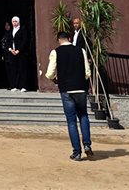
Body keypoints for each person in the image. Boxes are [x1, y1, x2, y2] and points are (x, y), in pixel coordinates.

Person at [46, 30, 93, 161]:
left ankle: (77, 152)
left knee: (71, 121)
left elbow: (49, 73)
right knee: (83, 116)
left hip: (66, 89)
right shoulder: (81, 51)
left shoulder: (56, 52)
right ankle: (87, 144)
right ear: (70, 38)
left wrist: (55, 80)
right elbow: (87, 72)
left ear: (58, 40)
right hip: (81, 88)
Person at [5, 16, 30, 92]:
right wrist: (10, 49)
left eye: (16, 21)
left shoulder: (22, 30)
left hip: (21, 53)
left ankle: (23, 86)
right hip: (12, 53)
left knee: (22, 69)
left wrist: (18, 50)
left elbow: (24, 41)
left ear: (18, 22)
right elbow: (8, 41)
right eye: (13, 21)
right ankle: (14, 86)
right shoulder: (10, 31)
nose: (14, 23)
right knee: (13, 69)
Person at [0, 20, 12, 88]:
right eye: (5, 25)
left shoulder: (12, 33)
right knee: (7, 70)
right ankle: (9, 84)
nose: (6, 26)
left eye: (8, 25)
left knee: (11, 69)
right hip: (5, 54)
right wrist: (2, 55)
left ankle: (13, 84)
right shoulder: (4, 34)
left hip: (10, 54)